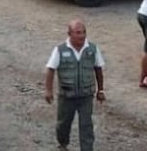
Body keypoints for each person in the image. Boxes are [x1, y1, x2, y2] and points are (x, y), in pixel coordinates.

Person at [44, 20, 105, 151]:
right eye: (78, 33)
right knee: (63, 124)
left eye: (83, 32)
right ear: (69, 34)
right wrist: (48, 90)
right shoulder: (60, 50)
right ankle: (63, 144)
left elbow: (98, 69)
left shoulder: (92, 49)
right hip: (67, 96)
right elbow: (50, 69)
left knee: (86, 125)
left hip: (86, 95)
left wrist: (101, 90)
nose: (82, 36)